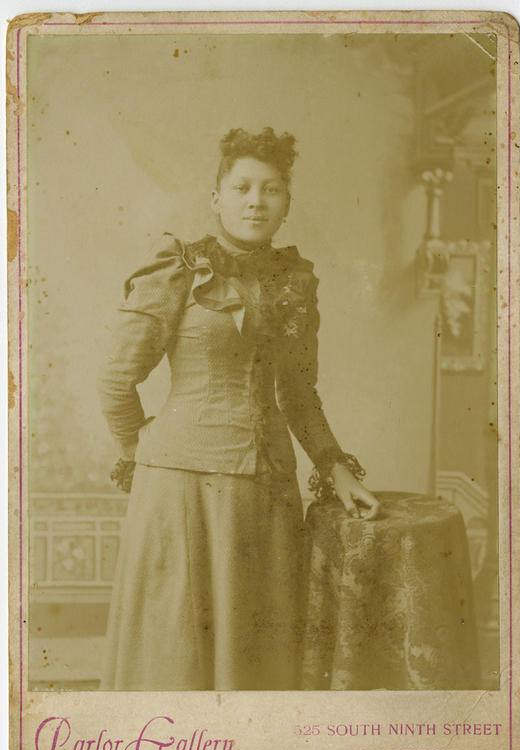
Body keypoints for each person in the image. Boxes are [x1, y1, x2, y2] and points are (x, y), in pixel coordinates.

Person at [98, 127, 380, 691]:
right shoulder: (179, 270)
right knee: (178, 654)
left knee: (255, 655)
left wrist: (336, 468)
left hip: (266, 492)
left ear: (286, 204)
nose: (256, 201)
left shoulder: (294, 282)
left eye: (271, 189)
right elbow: (115, 380)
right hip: (182, 491)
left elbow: (298, 393)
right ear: (217, 198)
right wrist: (141, 451)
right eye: (242, 187)